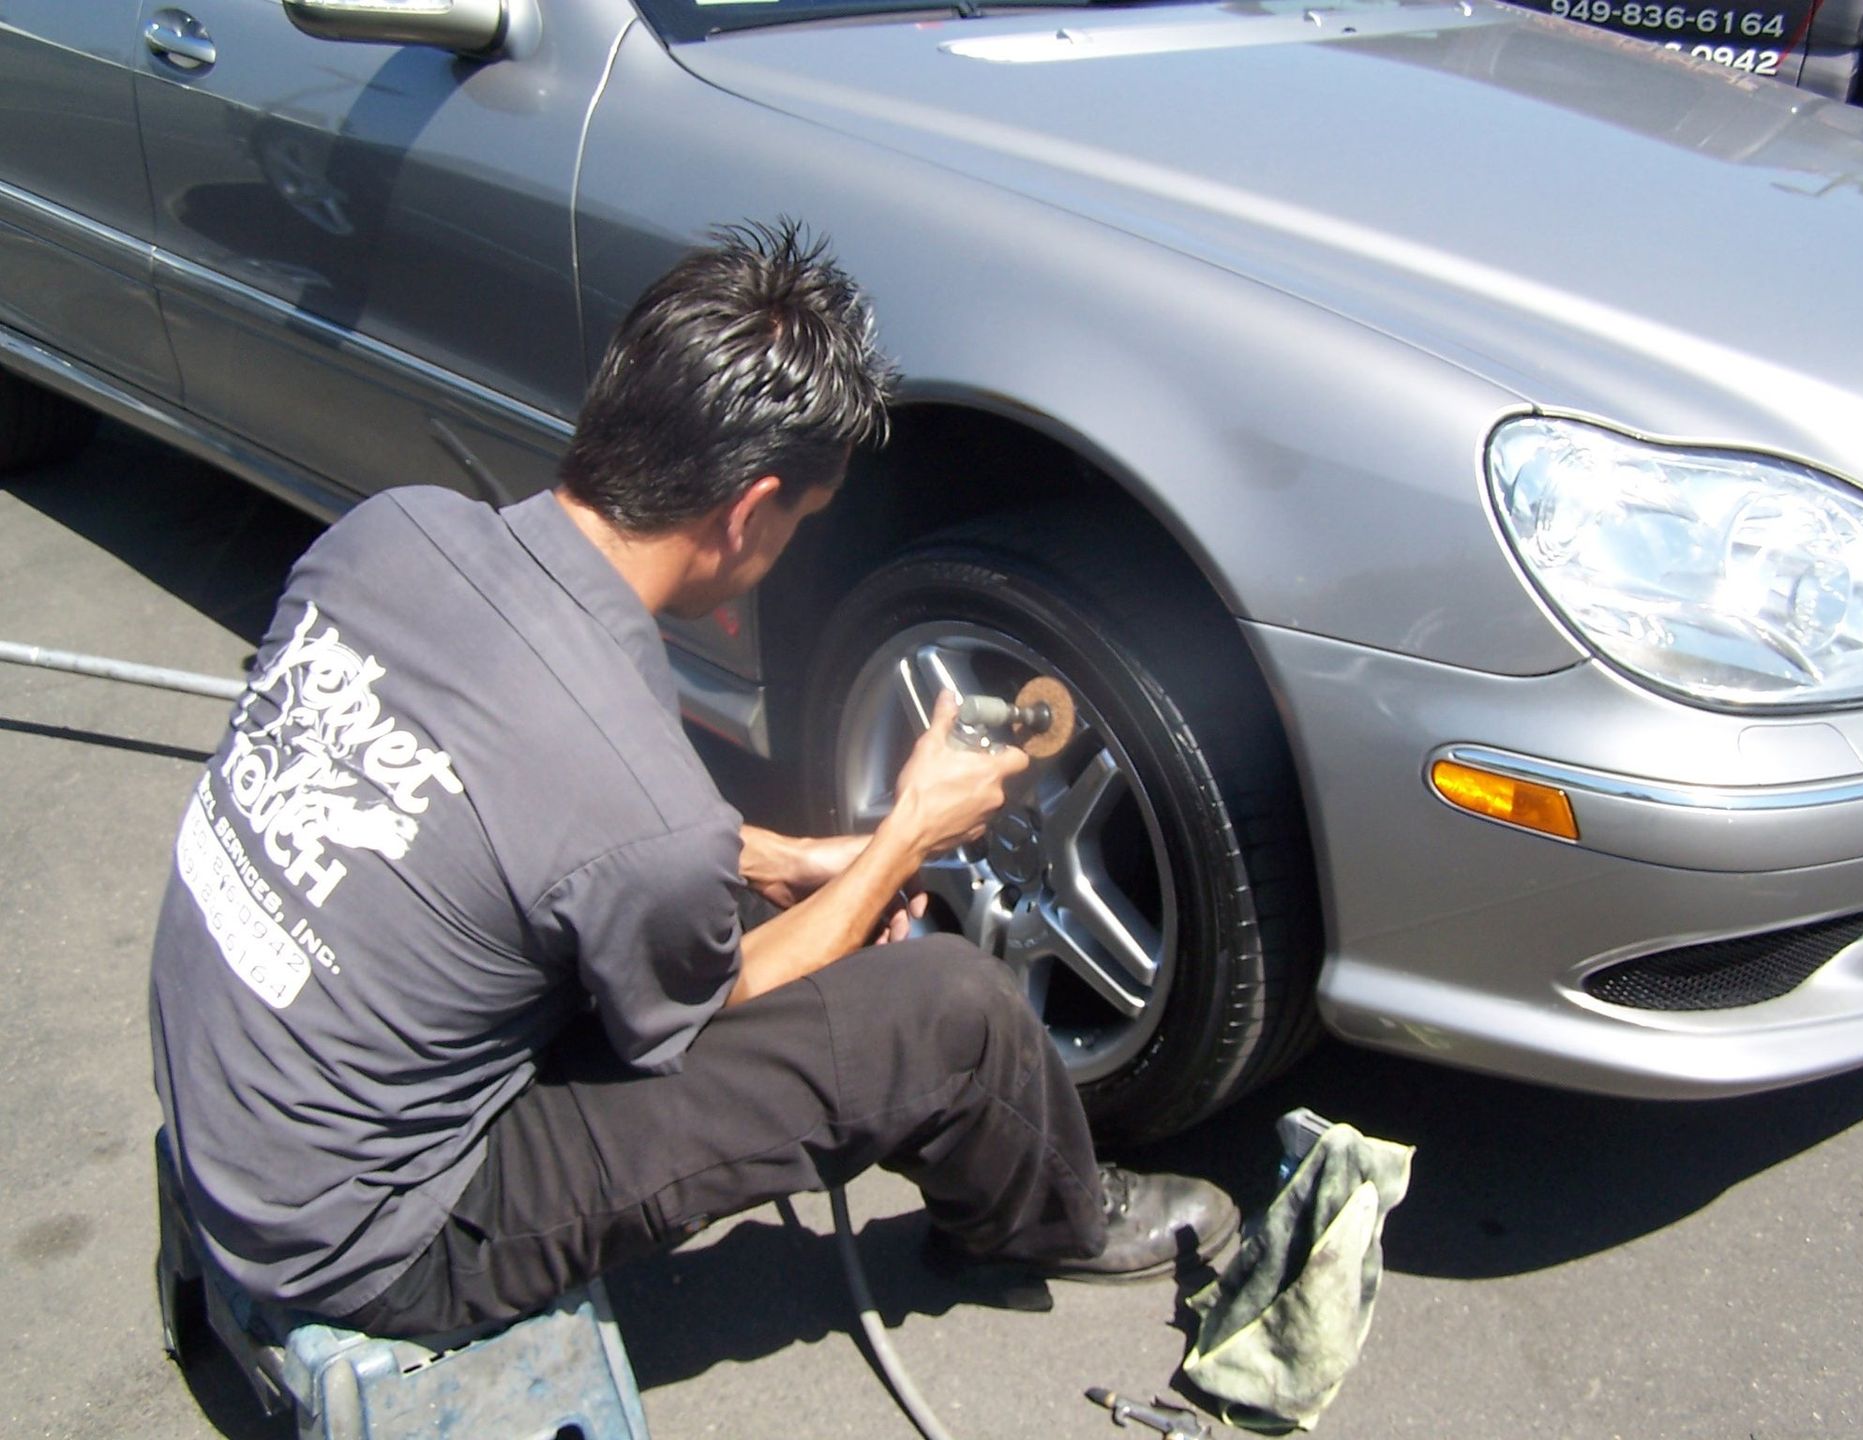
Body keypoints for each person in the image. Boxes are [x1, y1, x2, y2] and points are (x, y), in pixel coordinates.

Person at [149, 220, 1236, 1339]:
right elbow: (717, 998)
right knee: (945, 1008)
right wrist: (905, 836)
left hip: (225, 1089)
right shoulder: (637, 803)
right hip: (371, 1236)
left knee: (666, 901)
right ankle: (1047, 1217)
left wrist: (792, 858)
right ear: (750, 510)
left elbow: (531, 809)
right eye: (801, 524)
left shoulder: (392, 531)